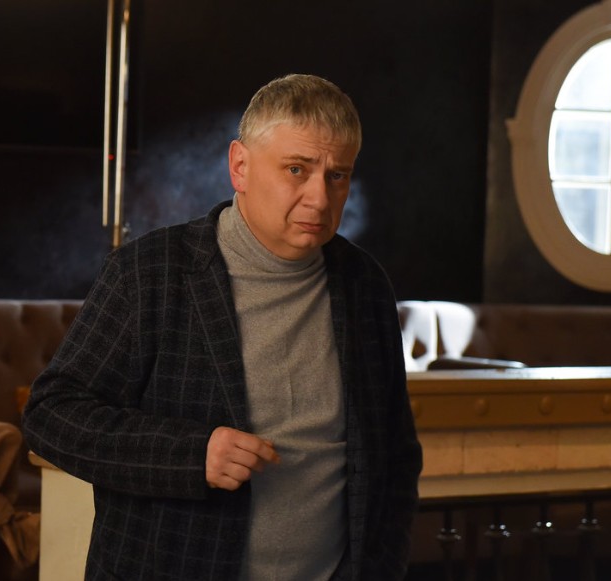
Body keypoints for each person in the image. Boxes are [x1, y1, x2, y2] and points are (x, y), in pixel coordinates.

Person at [22, 73, 422, 580]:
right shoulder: (150, 272)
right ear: (240, 166)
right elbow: (50, 414)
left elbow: (394, 454)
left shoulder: (365, 284)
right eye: (296, 169)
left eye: (337, 175)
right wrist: (191, 455)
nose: (320, 199)